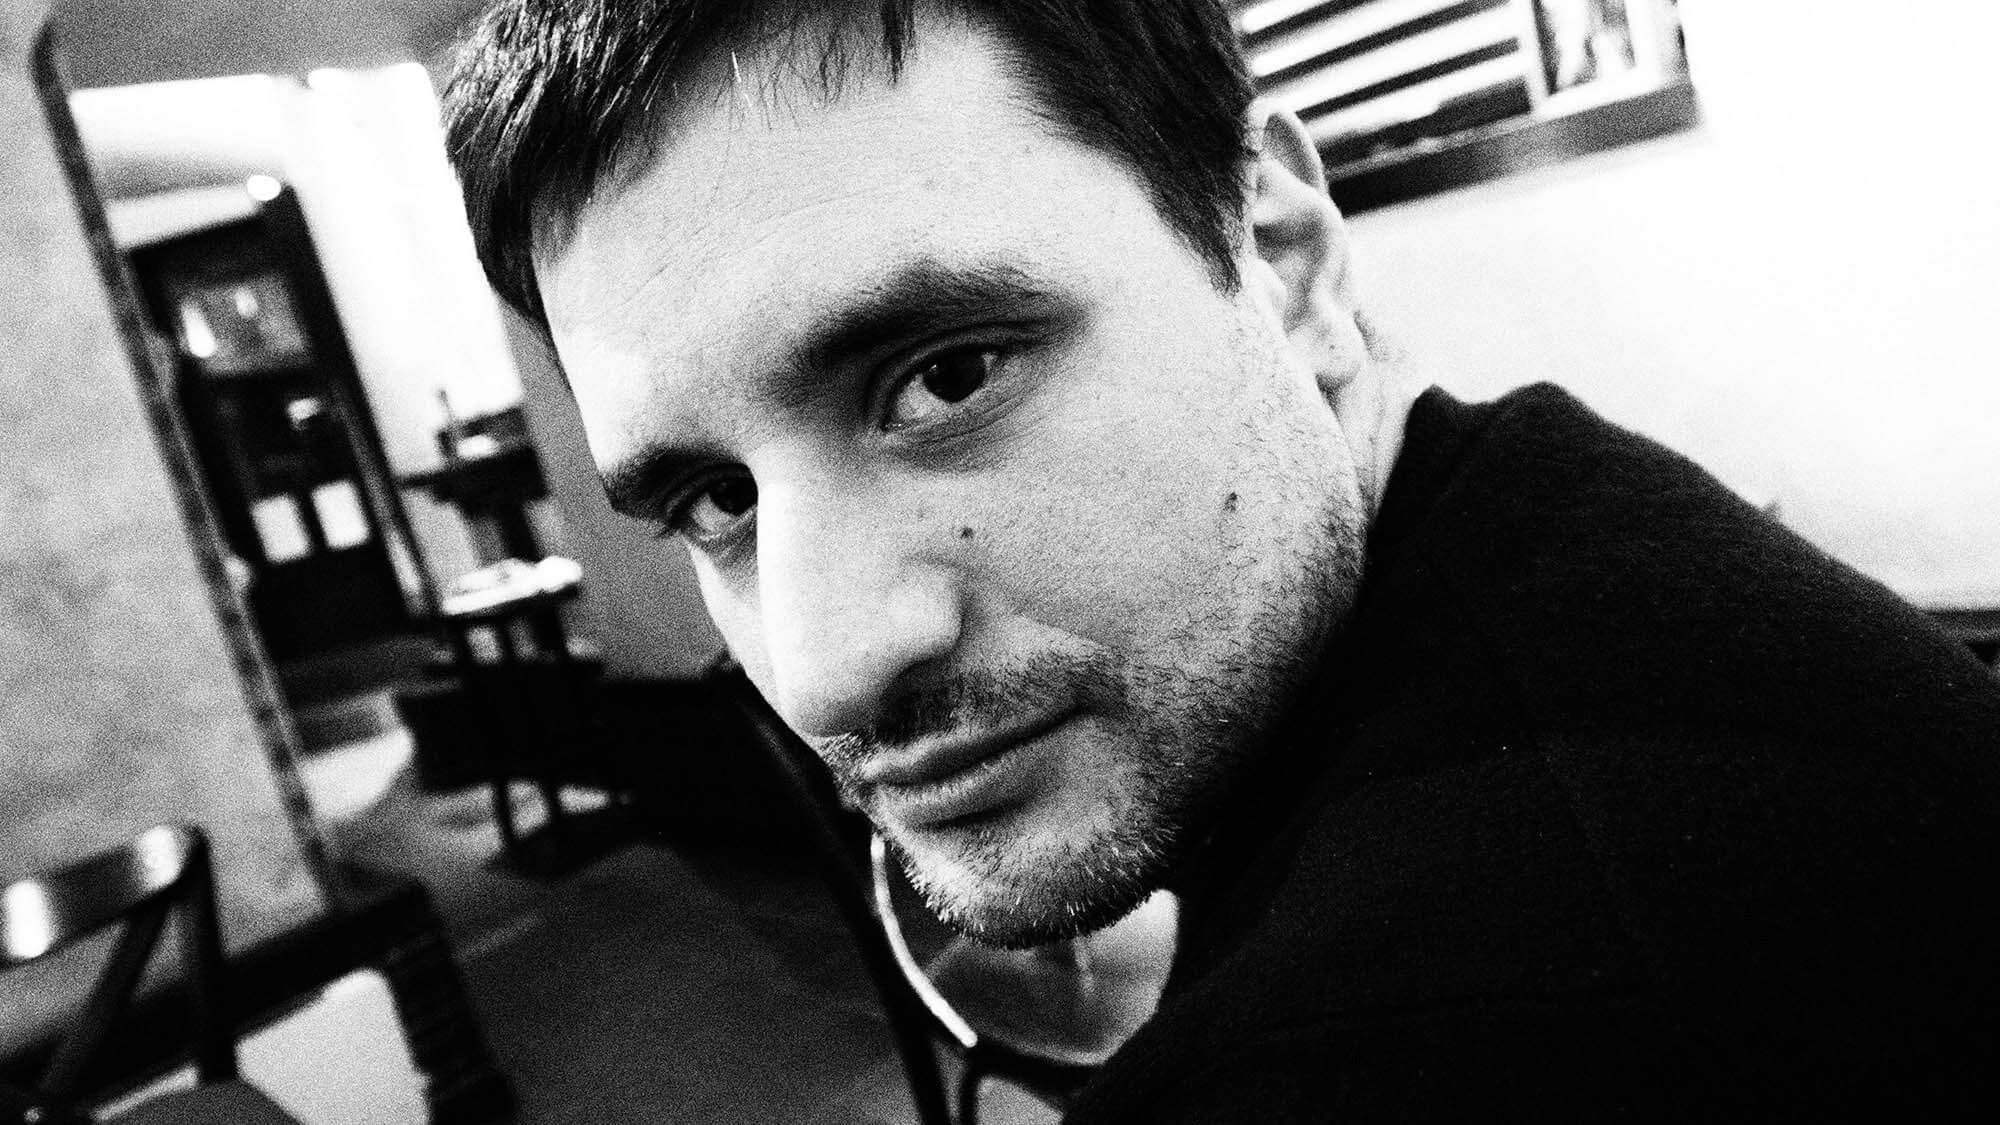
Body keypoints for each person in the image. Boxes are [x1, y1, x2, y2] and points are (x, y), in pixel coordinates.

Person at [441, 1, 2000, 1116]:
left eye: (947, 376)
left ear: (1280, 255)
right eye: (712, 497)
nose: (827, 661)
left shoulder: (1396, 1046)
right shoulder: (1546, 511)